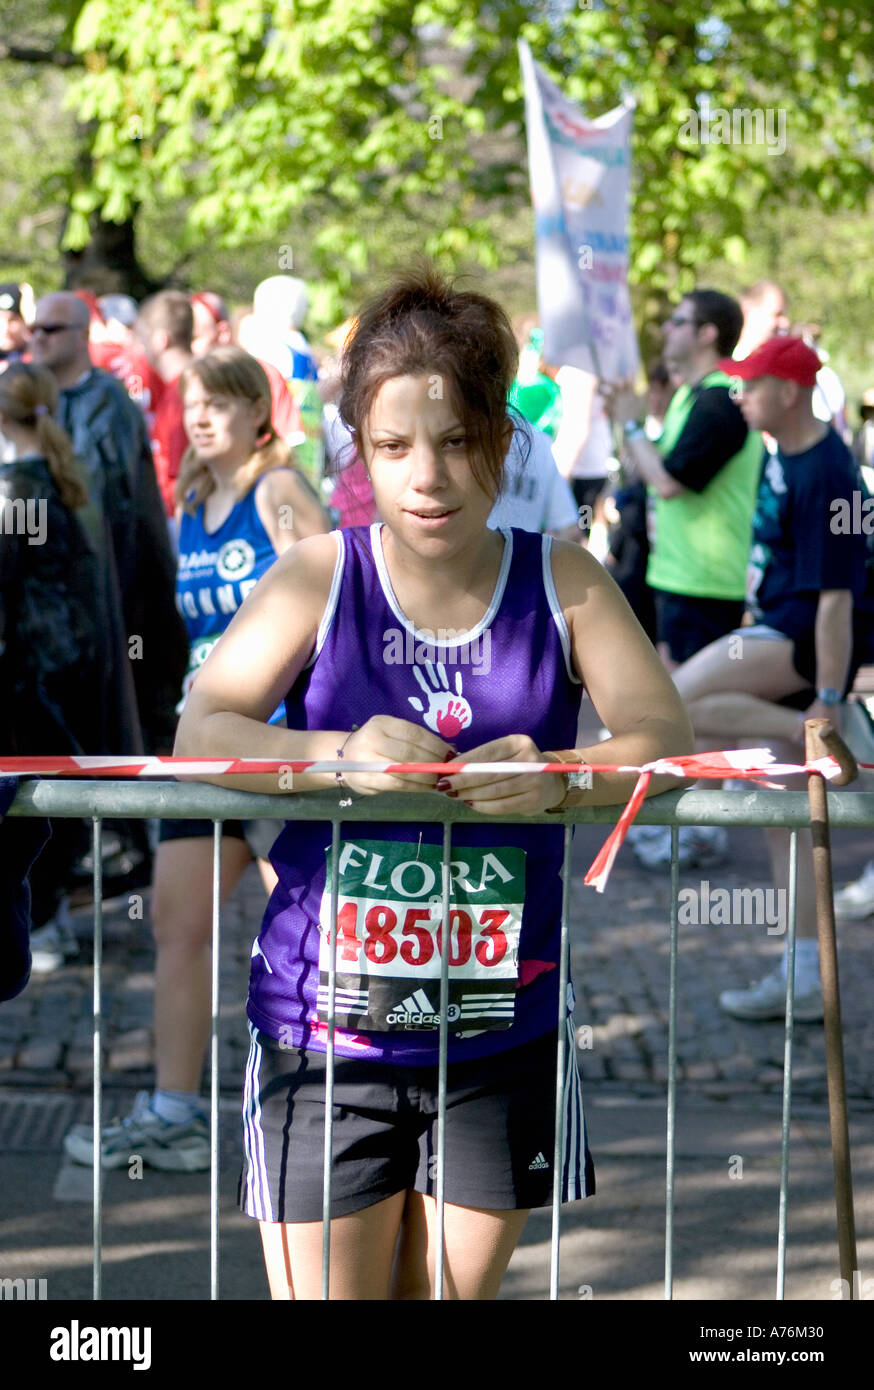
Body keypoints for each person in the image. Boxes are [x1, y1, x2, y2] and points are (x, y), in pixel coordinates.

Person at [171, 266, 693, 1300]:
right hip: (326, 1035)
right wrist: (335, 754)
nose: (428, 477)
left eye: (456, 442)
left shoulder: (563, 575)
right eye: (394, 447)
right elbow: (201, 729)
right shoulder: (322, 572)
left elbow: (659, 734)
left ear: (501, 438)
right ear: (358, 451)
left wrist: (560, 775)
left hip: (501, 1029)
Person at [64, 347, 331, 1171]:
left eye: (223, 400)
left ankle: (344, 1103)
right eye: (194, 401)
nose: (205, 414)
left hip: (278, 748)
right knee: (177, 928)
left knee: (319, 937)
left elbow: (340, 599)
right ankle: (175, 1113)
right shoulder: (191, 502)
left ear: (261, 412)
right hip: (201, 743)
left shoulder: (279, 490)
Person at [671, 336, 873, 1021]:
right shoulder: (781, 453)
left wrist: (823, 703)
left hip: (798, 643)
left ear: (788, 392)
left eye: (752, 385)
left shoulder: (828, 472)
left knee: (671, 709)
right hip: (782, 630)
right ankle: (802, 976)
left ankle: (800, 729)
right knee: (786, 818)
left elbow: (839, 601)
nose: (740, 396)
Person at [602, 290, 764, 868]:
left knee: (700, 706)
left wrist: (631, 427)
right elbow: (647, 475)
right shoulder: (689, 397)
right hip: (675, 577)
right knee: (680, 701)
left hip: (707, 581)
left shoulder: (721, 402)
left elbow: (669, 481)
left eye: (678, 321)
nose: (665, 328)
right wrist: (627, 423)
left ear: (706, 334)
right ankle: (693, 818)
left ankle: (706, 825)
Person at [0, 363, 106, 939]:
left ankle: (40, 920)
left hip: (33, 668)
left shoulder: (17, 488)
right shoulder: (62, 475)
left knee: (39, 799)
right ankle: (52, 914)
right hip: (70, 658)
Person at [190, 290, 305, 449]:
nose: (187, 348)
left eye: (194, 337)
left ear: (223, 333)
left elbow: (291, 442)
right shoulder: (182, 379)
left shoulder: (263, 374)